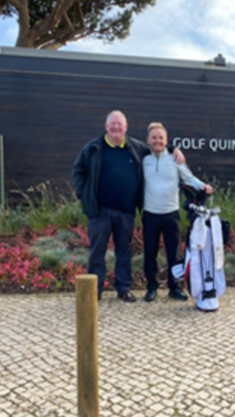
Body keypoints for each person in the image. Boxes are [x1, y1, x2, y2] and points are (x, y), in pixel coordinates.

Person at [72, 111, 185, 302]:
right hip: (100, 211)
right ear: (106, 127)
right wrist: (84, 195)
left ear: (126, 127)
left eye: (120, 124)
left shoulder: (137, 148)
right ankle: (95, 290)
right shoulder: (93, 148)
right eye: (112, 124)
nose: (116, 128)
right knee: (97, 251)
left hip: (126, 211)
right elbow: (78, 170)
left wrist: (174, 148)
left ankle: (123, 288)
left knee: (124, 251)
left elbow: (158, 147)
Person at [141, 122, 212, 302]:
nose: (157, 141)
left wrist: (203, 186)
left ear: (166, 141)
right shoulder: (143, 159)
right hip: (150, 214)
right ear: (148, 140)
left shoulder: (175, 159)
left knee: (174, 254)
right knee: (150, 252)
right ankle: (151, 287)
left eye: (161, 138)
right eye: (154, 137)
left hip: (171, 214)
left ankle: (174, 287)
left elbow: (188, 178)